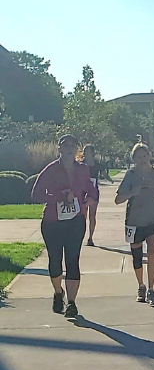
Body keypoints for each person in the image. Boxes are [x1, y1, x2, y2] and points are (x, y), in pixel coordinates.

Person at [31, 134, 97, 318]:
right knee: (55, 261)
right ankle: (58, 292)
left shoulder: (83, 169)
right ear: (58, 148)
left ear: (77, 149)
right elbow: (35, 194)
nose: (69, 149)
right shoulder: (51, 169)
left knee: (72, 260)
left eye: (72, 145)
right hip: (53, 222)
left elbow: (91, 188)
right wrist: (59, 197)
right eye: (65, 145)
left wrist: (91, 198)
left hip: (76, 220)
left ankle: (72, 303)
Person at [115, 143, 154, 306]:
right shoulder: (131, 175)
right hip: (134, 221)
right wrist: (133, 191)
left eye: (145, 156)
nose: (143, 159)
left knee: (152, 251)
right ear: (134, 159)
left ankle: (151, 289)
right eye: (139, 157)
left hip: (153, 218)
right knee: (137, 255)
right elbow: (118, 199)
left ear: (150, 156)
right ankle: (141, 286)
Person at [80, 144, 111, 247]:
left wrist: (109, 179)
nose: (86, 153)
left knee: (92, 215)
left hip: (93, 192)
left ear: (92, 153)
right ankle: (80, 236)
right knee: (82, 216)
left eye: (88, 151)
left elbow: (104, 174)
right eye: (85, 151)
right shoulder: (80, 165)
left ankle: (90, 238)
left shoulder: (97, 165)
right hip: (82, 192)